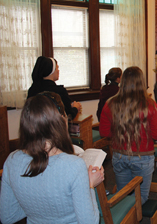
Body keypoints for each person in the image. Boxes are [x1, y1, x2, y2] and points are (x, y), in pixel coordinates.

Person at [0, 92, 104, 224]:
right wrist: (89, 185)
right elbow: (89, 222)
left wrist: (36, 204)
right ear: (61, 120)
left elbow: (8, 217)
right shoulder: (74, 165)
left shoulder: (11, 161)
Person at [99, 66, 157, 205]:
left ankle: (126, 217)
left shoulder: (110, 103)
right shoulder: (150, 105)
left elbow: (104, 132)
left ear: (122, 82)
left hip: (119, 155)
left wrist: (121, 133)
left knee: (123, 195)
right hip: (143, 156)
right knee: (141, 197)